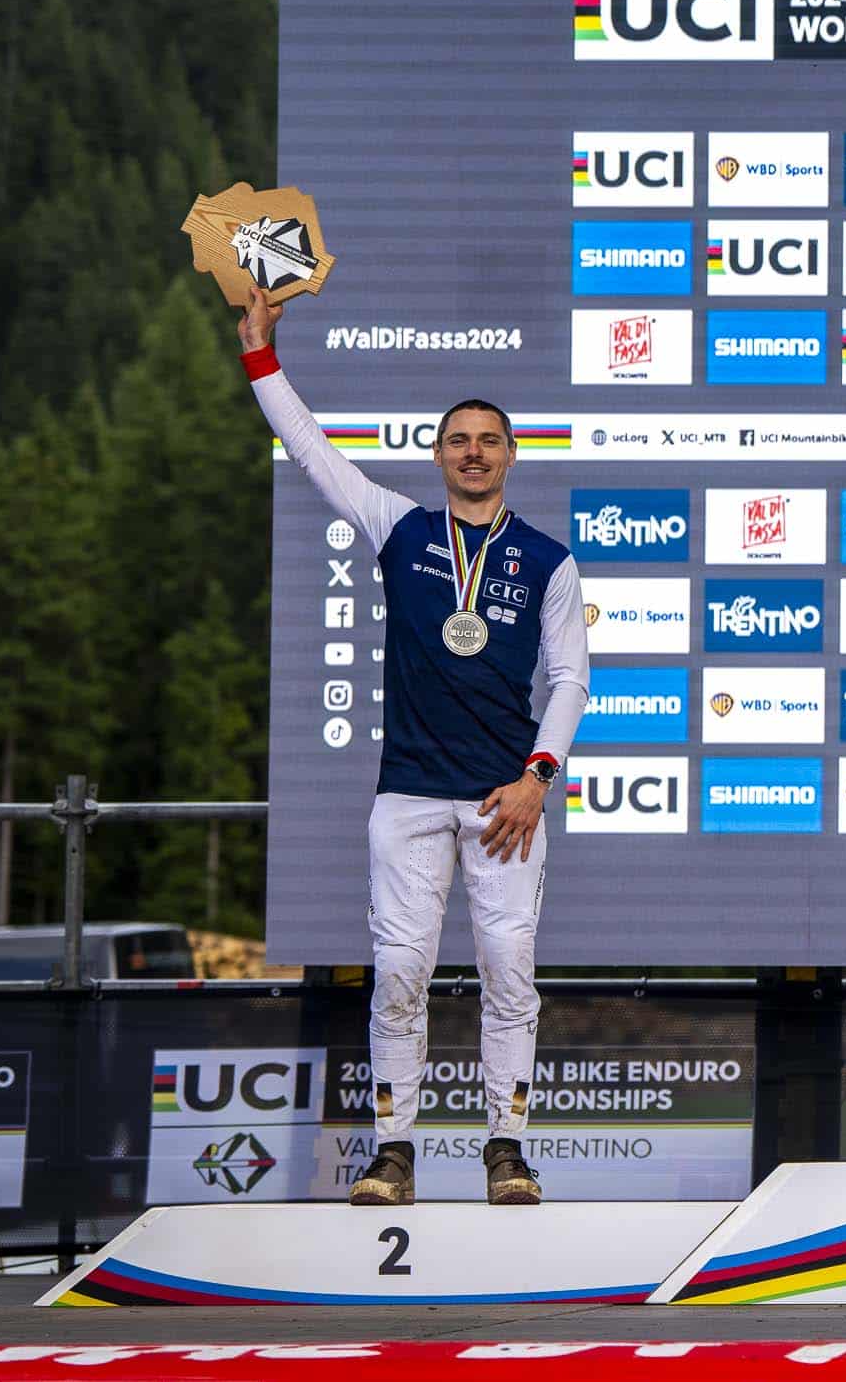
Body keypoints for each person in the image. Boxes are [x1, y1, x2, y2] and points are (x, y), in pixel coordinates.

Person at [236, 285, 588, 1206]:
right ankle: (393, 1152)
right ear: (437, 455)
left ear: (511, 455)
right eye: (458, 439)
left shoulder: (549, 560)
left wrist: (537, 777)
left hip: (504, 801)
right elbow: (310, 450)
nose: (473, 451)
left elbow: (571, 680)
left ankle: (507, 1151)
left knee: (510, 975)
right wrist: (260, 353)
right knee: (399, 971)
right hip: (409, 795)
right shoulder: (400, 527)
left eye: (489, 440)